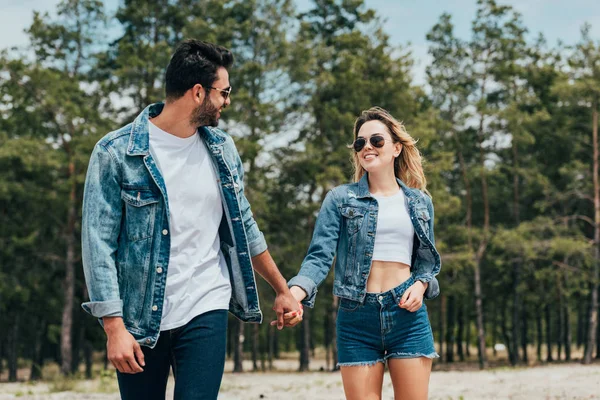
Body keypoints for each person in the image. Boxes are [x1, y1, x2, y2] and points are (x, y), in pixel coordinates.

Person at [81, 39, 301, 400]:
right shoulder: (115, 153)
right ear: (198, 92)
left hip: (205, 305)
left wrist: (281, 288)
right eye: (224, 92)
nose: (228, 101)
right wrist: (114, 328)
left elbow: (243, 225)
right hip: (139, 318)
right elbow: (97, 245)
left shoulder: (222, 149)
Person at [285, 107, 441, 399]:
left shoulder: (420, 202)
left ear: (396, 147)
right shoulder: (340, 199)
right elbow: (319, 256)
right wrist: (294, 293)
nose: (367, 147)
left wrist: (420, 285)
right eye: (360, 143)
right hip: (356, 317)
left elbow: (427, 264)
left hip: (407, 315)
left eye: (376, 141)